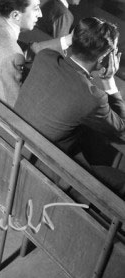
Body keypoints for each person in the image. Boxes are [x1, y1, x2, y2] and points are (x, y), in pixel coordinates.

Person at [14, 17, 125, 194]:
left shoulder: (45, 57)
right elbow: (121, 128)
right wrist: (109, 80)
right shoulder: (92, 98)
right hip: (41, 168)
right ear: (104, 57)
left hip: (13, 143)